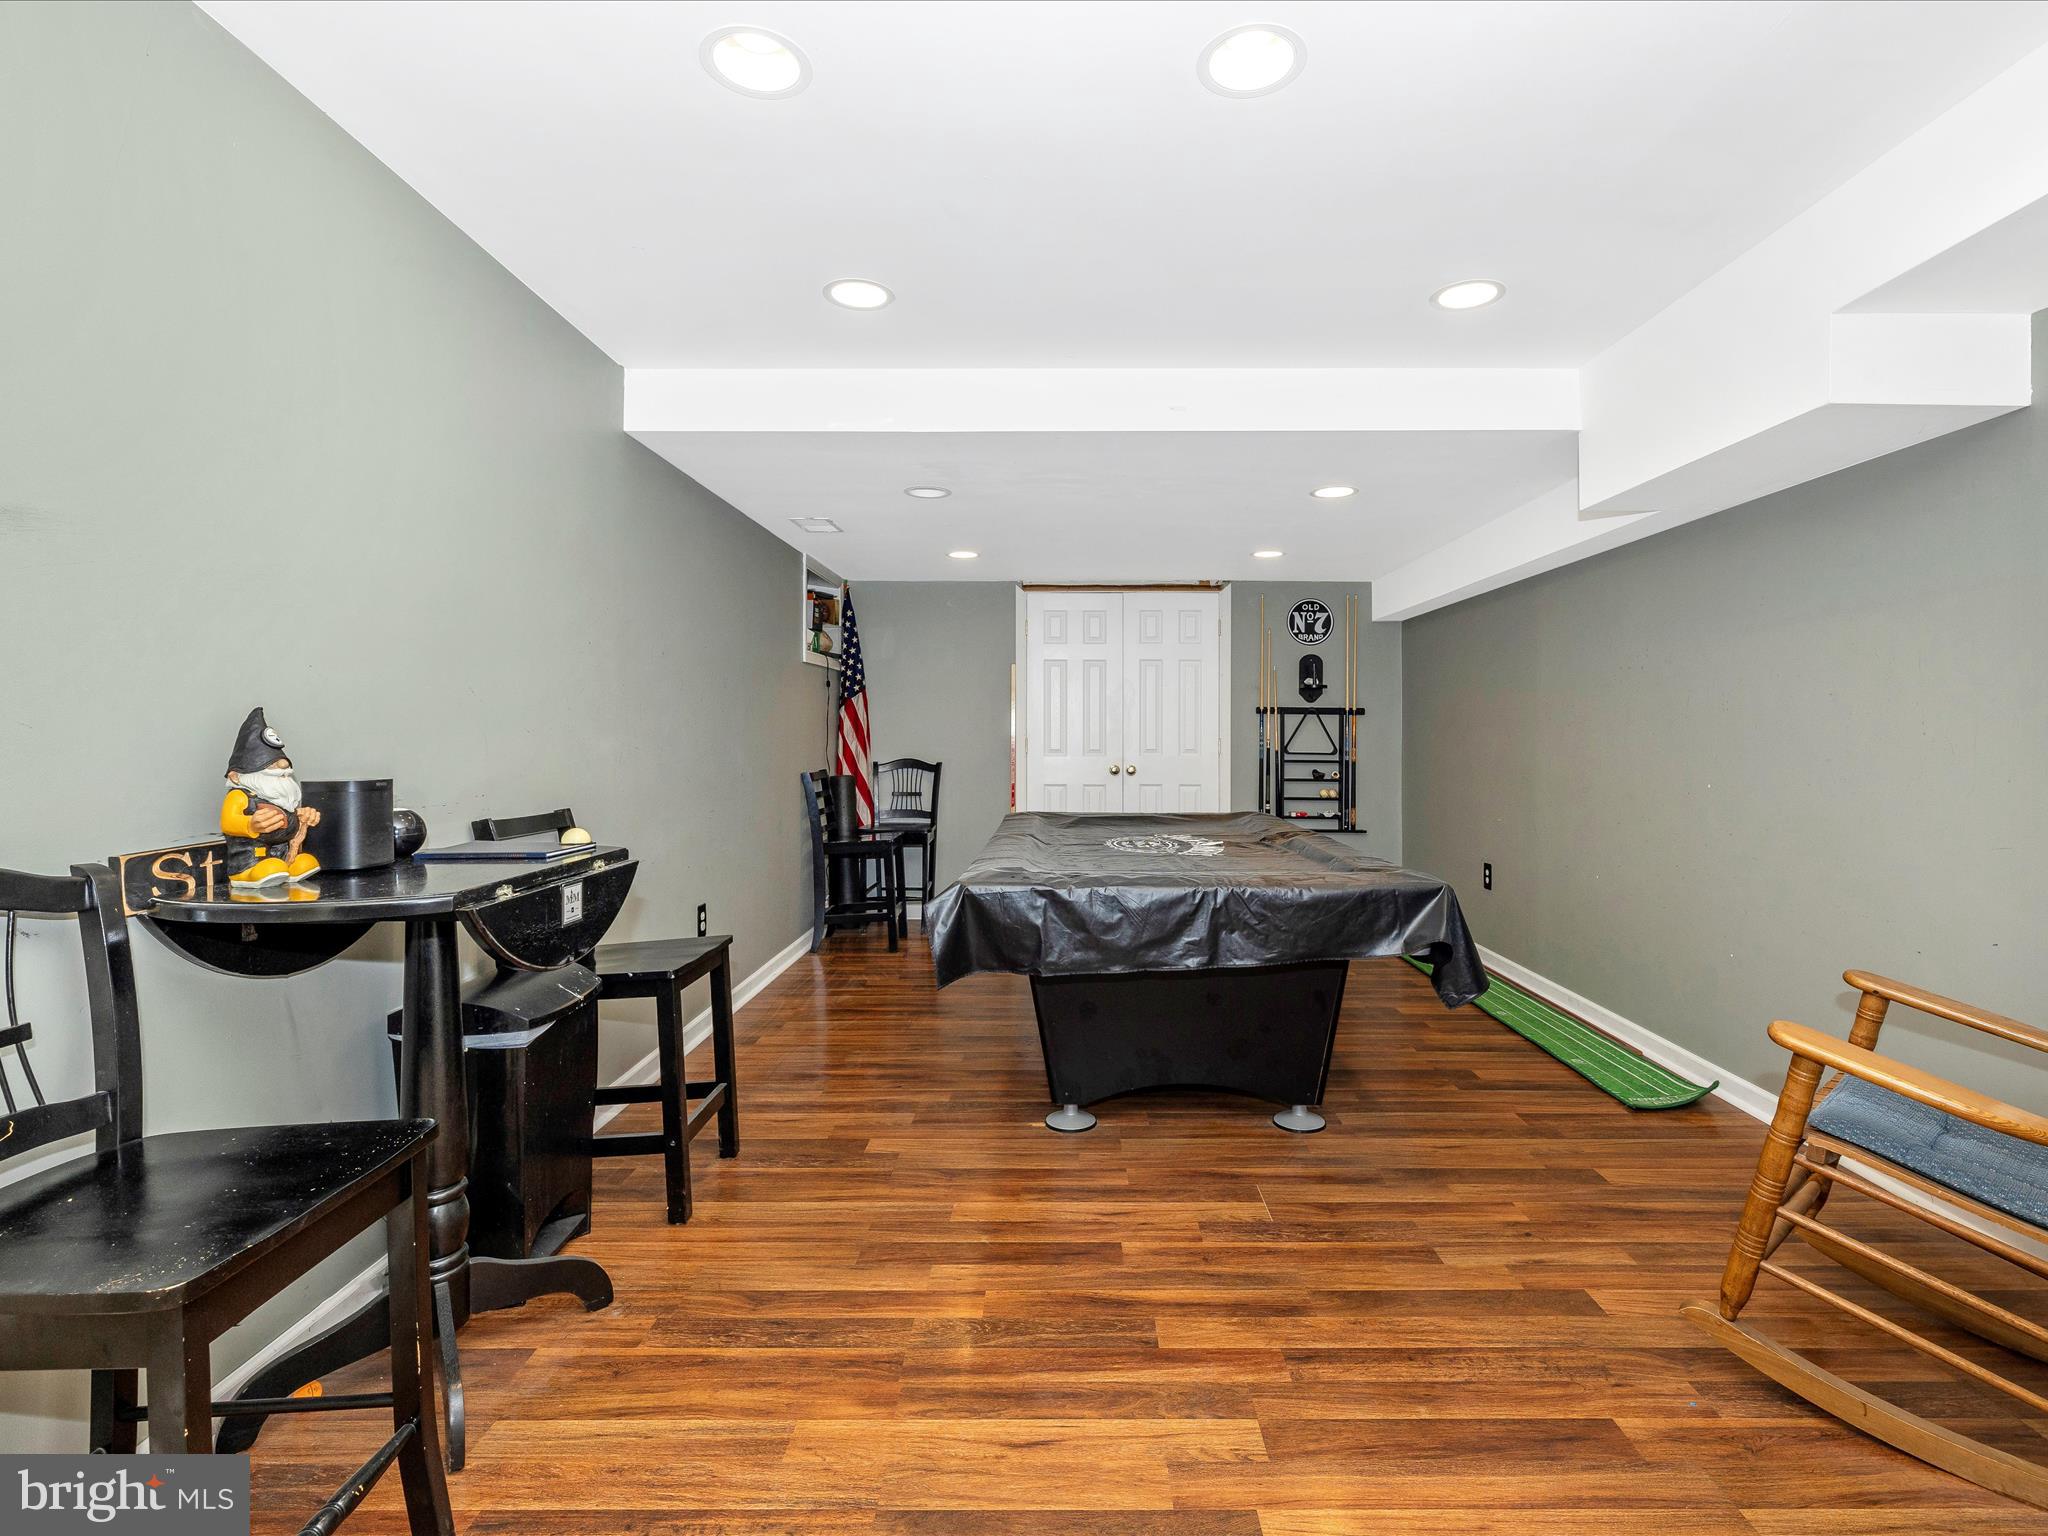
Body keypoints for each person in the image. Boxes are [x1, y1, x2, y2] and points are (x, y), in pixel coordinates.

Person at [220, 707, 322, 889]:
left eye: (285, 773)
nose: (283, 777)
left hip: (282, 850)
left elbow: (291, 816)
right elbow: (228, 822)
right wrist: (250, 825)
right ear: (236, 776)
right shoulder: (239, 796)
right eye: (273, 772)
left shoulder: (280, 798)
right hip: (250, 856)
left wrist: (304, 816)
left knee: (297, 862)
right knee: (266, 866)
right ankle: (247, 873)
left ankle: (289, 865)